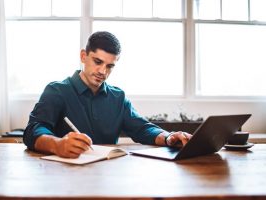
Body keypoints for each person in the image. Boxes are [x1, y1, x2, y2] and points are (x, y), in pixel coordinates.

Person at [23, 31, 192, 158]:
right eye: (98, 62)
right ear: (83, 56)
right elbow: (33, 130)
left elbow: (142, 128)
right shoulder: (57, 91)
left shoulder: (118, 97)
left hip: (108, 175)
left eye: (110, 66)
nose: (103, 71)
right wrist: (57, 144)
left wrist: (169, 137)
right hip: (65, 176)